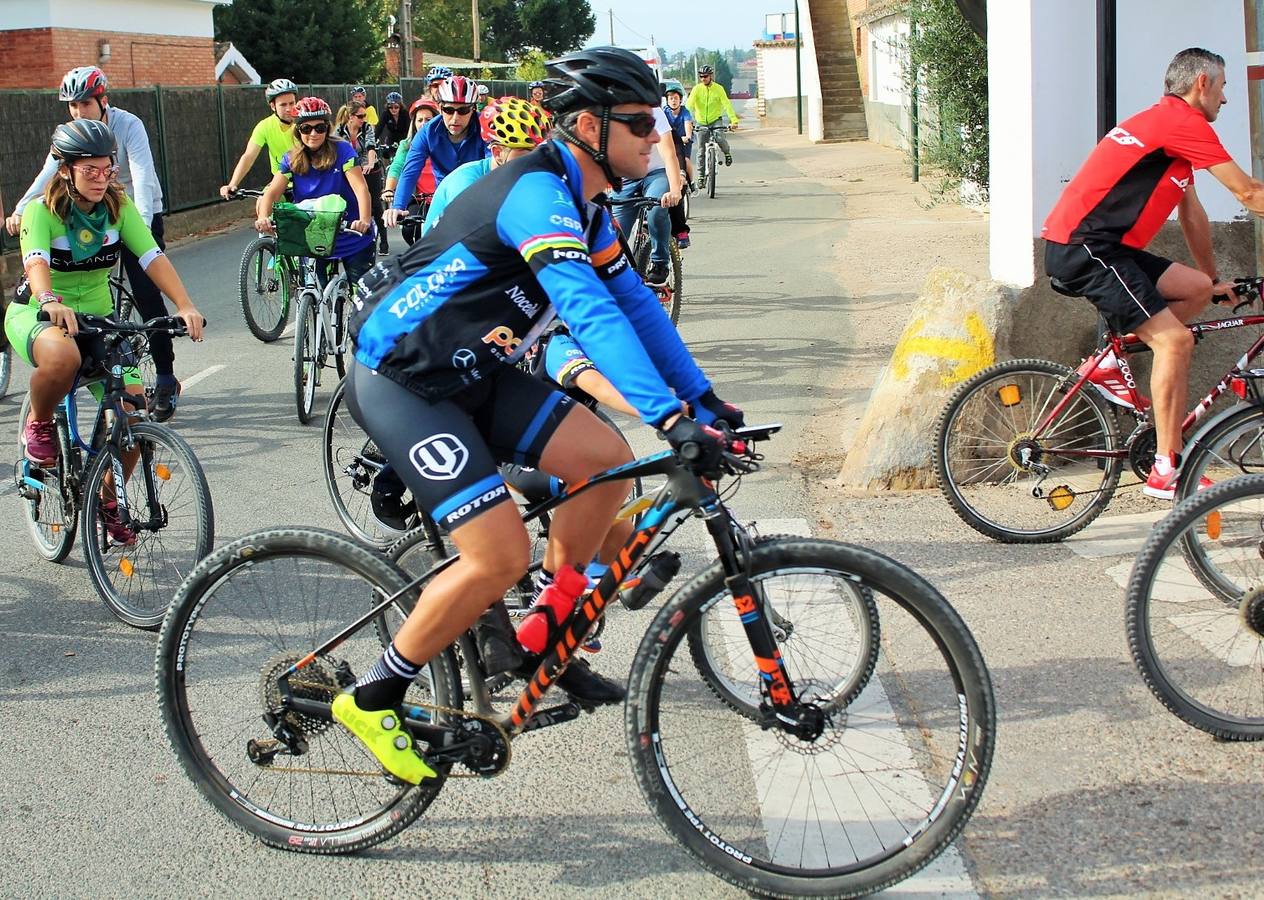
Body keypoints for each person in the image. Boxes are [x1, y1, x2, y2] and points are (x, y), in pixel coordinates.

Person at [336, 46, 744, 783]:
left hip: (476, 373)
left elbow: (639, 312)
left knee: (604, 463)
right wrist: (668, 417)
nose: (656, 135)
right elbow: (588, 313)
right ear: (589, 125)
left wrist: (704, 401)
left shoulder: (585, 208)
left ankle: (544, 640)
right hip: (406, 382)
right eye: (642, 121)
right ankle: (375, 694)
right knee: (498, 556)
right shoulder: (535, 194)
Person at [1043, 47, 1264, 499]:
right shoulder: (1183, 124)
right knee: (1176, 341)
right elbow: (1249, 192)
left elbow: (1192, 214)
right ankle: (1167, 468)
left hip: (1107, 249)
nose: (1225, 99)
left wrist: (1213, 276)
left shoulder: (1168, 128)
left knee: (1196, 289)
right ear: (1202, 82)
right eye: (1222, 87)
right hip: (1088, 248)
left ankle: (1108, 365)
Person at [7, 119, 204, 544]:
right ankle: (39, 424)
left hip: (98, 320)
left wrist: (184, 304)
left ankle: (106, 499)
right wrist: (48, 301)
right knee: (64, 358)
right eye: (89, 170)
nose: (101, 178)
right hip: (37, 313)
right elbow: (36, 262)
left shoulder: (118, 207)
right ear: (65, 170)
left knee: (133, 410)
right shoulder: (41, 211)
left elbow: (151, 257)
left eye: (107, 169)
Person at [6, 66, 185, 421]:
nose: (78, 111)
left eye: (85, 103)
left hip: (131, 211)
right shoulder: (70, 144)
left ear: (103, 101)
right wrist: (20, 208)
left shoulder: (129, 125)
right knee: (66, 353)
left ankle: (165, 377)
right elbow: (48, 174)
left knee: (149, 296)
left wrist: (140, 231)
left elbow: (143, 176)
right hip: (81, 220)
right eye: (72, 105)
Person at [254, 97, 376, 287]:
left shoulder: (343, 150)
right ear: (298, 130)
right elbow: (272, 192)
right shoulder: (290, 158)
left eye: (319, 128)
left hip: (351, 232)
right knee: (311, 290)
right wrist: (263, 216)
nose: (313, 133)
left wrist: (364, 220)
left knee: (364, 295)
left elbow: (361, 188)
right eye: (306, 128)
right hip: (314, 238)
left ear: (327, 129)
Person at [421, 95, 551, 234]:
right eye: (527, 153)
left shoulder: (520, 181)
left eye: (541, 152)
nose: (536, 161)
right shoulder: (465, 181)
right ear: (497, 153)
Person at [383, 76, 488, 228]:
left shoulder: (485, 128)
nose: (455, 118)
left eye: (463, 110)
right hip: (444, 197)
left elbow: (496, 166)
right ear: (439, 108)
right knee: (428, 243)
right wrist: (397, 207)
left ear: (473, 109)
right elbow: (410, 172)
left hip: (479, 198)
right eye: (448, 110)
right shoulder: (427, 132)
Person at [608, 95, 684, 287]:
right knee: (613, 234)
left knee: (658, 207)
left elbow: (669, 154)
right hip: (626, 176)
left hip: (655, 173)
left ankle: (660, 262)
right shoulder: (608, 115)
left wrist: (675, 189)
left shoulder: (654, 112)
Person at [220, 78, 299, 197]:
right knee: (262, 203)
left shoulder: (305, 124)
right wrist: (232, 184)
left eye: (292, 103)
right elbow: (248, 156)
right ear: (273, 106)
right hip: (280, 184)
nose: (288, 108)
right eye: (283, 105)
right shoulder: (264, 126)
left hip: (306, 183)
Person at [382, 98, 440, 245]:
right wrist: (389, 189)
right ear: (414, 123)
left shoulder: (443, 143)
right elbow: (397, 168)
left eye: (428, 119)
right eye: (419, 120)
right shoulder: (407, 145)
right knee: (409, 230)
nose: (423, 124)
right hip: (418, 197)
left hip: (440, 196)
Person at [336, 100, 387, 254]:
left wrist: (370, 164)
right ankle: (350, 240)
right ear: (350, 117)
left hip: (368, 169)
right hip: (349, 170)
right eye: (360, 116)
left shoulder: (367, 128)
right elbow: (335, 151)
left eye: (364, 115)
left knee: (376, 206)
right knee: (348, 204)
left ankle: (384, 241)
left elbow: (371, 147)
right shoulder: (338, 131)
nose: (363, 119)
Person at [662, 80, 695, 249]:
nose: (673, 101)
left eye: (675, 98)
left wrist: (681, 173)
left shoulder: (682, 114)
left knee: (674, 191)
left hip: (679, 146)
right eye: (670, 98)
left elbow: (675, 153)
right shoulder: (663, 112)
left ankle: (681, 231)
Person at [686, 64, 740, 167]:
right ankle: (701, 177)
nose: (703, 79)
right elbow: (689, 106)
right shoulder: (696, 89)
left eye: (705, 76)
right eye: (701, 76)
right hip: (701, 121)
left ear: (711, 76)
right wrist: (686, 121)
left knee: (720, 138)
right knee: (701, 150)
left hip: (715, 120)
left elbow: (726, 105)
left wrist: (734, 120)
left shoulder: (719, 89)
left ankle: (727, 153)